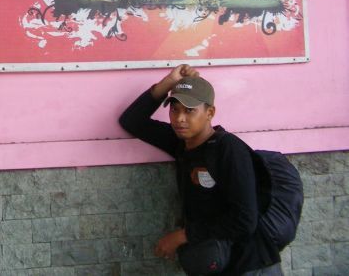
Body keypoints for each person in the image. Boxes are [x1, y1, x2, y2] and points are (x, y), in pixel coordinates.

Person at [119, 64, 282, 275]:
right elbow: (131, 121)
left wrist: (182, 236)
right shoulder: (180, 142)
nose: (179, 118)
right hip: (215, 262)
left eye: (190, 110)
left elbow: (244, 221)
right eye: (174, 109)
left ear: (209, 113)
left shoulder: (228, 149)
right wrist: (169, 82)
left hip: (251, 264)